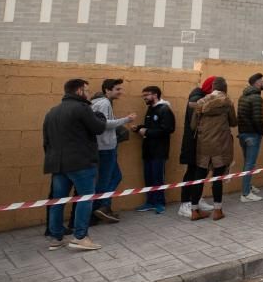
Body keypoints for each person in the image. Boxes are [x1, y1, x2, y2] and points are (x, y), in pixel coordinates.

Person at [44, 78, 108, 251]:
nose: (89, 94)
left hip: (58, 164)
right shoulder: (82, 108)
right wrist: (100, 116)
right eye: (87, 91)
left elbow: (47, 141)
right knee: (85, 198)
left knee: (58, 201)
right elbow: (98, 128)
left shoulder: (52, 112)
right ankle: (80, 237)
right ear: (79, 91)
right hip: (81, 163)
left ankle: (56, 237)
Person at [190, 76, 237, 221]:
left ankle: (194, 210)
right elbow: (233, 122)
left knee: (199, 176)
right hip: (220, 145)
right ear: (225, 88)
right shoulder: (228, 102)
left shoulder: (200, 103)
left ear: (212, 88)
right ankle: (218, 210)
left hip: (203, 144)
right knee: (218, 177)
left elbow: (193, 126)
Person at [90, 79, 137, 224]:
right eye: (117, 89)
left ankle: (103, 208)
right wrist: (126, 119)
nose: (120, 92)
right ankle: (99, 209)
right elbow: (104, 124)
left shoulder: (98, 103)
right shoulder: (104, 103)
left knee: (114, 177)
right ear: (107, 90)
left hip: (103, 147)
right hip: (105, 148)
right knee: (105, 181)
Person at [133, 86, 176, 214]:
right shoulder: (150, 109)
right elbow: (150, 127)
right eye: (143, 95)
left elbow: (168, 129)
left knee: (158, 178)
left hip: (159, 151)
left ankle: (160, 203)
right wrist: (139, 128)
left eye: (146, 95)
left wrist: (147, 131)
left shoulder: (164, 109)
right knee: (149, 178)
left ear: (155, 95)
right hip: (148, 150)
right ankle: (150, 202)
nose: (144, 98)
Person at [177, 77, 216, 218]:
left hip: (201, 143)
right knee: (192, 172)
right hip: (193, 143)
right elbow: (198, 122)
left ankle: (196, 199)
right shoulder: (196, 99)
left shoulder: (202, 97)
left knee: (200, 173)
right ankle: (185, 204)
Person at [236, 73, 263, 203]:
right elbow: (257, 119)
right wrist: (262, 132)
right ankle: (246, 193)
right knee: (250, 163)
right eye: (262, 81)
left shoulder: (243, 96)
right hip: (252, 135)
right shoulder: (256, 98)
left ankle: (247, 186)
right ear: (257, 83)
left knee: (247, 163)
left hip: (243, 134)